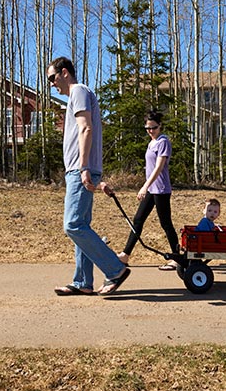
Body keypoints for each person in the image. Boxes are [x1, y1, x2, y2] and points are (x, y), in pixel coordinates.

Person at [47, 56, 130, 296]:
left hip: (80, 169)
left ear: (64, 72)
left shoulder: (79, 91)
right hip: (79, 169)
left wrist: (84, 167)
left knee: (72, 224)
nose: (52, 84)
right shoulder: (78, 94)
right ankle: (83, 281)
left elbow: (86, 128)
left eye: (52, 78)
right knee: (80, 225)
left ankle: (115, 269)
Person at [117, 111, 180, 271]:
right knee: (138, 220)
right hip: (152, 189)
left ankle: (177, 258)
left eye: (154, 128)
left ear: (160, 126)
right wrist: (147, 186)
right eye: (148, 128)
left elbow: (159, 167)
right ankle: (125, 255)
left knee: (166, 223)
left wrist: (144, 186)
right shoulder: (151, 142)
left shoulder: (163, 142)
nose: (151, 131)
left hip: (161, 189)